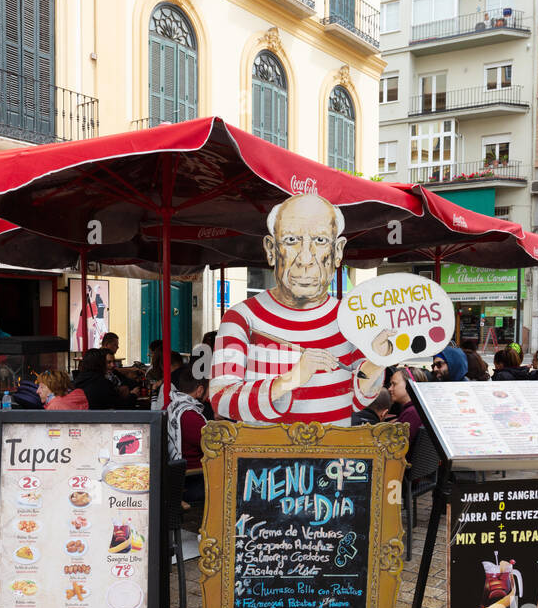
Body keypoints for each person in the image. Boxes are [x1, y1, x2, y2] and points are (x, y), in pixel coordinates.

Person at [210, 193, 391, 424]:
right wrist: (290, 380)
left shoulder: (351, 317)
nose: (305, 259)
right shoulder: (241, 318)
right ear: (271, 249)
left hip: (332, 457)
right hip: (262, 458)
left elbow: (355, 400)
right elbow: (220, 399)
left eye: (320, 241)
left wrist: (377, 360)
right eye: (291, 240)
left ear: (338, 251)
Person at [167, 365, 208, 503]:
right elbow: (212, 445)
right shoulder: (189, 416)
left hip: (175, 476)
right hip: (192, 481)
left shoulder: (171, 406)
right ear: (200, 390)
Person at [387, 366, 426, 443]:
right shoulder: (415, 409)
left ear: (409, 384)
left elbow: (396, 445)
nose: (390, 389)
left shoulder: (413, 412)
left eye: (394, 384)